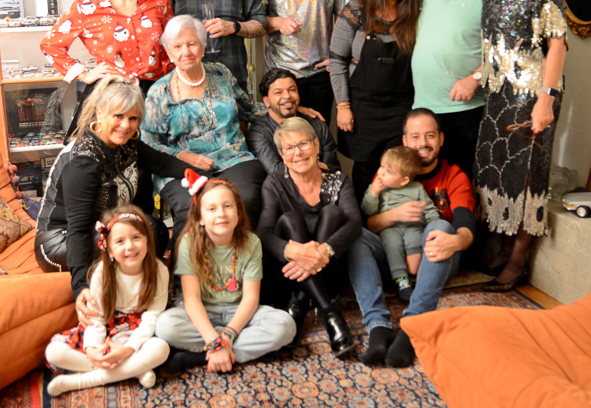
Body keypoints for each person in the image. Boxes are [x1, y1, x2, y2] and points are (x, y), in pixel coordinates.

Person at [35, 76, 192, 312]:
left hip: (100, 228)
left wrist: (200, 176)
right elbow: (78, 229)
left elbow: (162, 163)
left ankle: (144, 298)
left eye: (133, 118)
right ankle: (122, 307)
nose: (126, 125)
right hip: (60, 241)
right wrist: (80, 287)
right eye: (118, 116)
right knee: (129, 241)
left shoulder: (125, 143)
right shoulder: (83, 162)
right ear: (100, 113)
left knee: (153, 229)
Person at [475, 0, 568, 291]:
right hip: (498, 91)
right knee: (499, 169)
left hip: (533, 92)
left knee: (528, 174)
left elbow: (558, 43)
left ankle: (518, 260)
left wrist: (545, 99)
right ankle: (504, 246)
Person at [346, 108, 475, 367]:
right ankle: (378, 326)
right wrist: (394, 215)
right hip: (391, 255)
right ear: (405, 141)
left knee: (440, 225)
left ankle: (414, 326)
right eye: (415, 136)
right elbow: (368, 221)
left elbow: (465, 223)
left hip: (434, 258)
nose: (423, 143)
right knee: (354, 234)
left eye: (430, 135)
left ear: (441, 139)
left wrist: (457, 241)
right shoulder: (388, 171)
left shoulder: (454, 175)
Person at [141, 15, 266, 247]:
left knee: (245, 199)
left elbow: (248, 108)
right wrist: (184, 157)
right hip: (181, 168)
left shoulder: (221, 74)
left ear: (203, 46)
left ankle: (244, 262)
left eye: (192, 44)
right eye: (177, 47)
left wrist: (285, 109)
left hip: (232, 157)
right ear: (169, 53)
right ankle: (186, 268)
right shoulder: (159, 92)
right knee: (194, 208)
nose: (186, 52)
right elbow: (148, 144)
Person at [155, 175, 296, 373]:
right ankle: (229, 351)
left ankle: (201, 356)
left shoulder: (251, 242)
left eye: (228, 206)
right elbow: (192, 299)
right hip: (203, 312)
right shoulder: (188, 243)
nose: (221, 213)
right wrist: (213, 339)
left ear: (238, 212)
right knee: (165, 326)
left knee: (285, 325)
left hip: (239, 312)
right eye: (212, 209)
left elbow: (251, 298)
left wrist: (228, 335)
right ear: (200, 218)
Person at [40, 0, 174, 126]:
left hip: (154, 96)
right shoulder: (87, 6)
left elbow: (171, 47)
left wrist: (174, 86)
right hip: (110, 98)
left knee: (152, 146)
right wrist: (84, 74)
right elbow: (50, 45)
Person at [256, 117, 362, 357]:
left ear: (316, 145)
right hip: (287, 275)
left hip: (330, 271)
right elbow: (264, 233)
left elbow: (355, 224)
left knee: (334, 214)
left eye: (303, 144)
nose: (298, 153)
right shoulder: (274, 183)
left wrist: (324, 250)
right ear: (281, 154)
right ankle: (330, 314)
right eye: (289, 148)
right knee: (290, 220)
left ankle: (300, 303)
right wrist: (291, 251)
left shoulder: (338, 180)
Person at [44, 205, 170, 396]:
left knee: (160, 349)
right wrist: (93, 350)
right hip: (105, 329)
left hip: (137, 331)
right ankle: (134, 370)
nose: (130, 246)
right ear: (109, 249)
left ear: (147, 241)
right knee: (54, 352)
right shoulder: (101, 274)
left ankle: (83, 380)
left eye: (136, 237)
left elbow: (152, 316)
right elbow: (96, 319)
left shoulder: (159, 270)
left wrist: (128, 349)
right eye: (120, 241)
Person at [330, 0, 422, 203]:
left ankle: (392, 219)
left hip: (400, 105)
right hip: (362, 105)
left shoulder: (414, 12)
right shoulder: (356, 10)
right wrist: (343, 106)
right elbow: (336, 60)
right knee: (364, 167)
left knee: (397, 169)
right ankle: (362, 220)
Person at [411, 0, 484, 179]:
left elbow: (504, 47)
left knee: (461, 187)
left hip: (465, 110)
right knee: (424, 188)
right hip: (422, 108)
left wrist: (476, 78)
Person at [361, 146, 439, 301]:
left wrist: (435, 226)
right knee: (392, 245)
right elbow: (368, 211)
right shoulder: (377, 189)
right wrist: (373, 194)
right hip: (390, 229)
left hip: (414, 226)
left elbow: (429, 210)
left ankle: (414, 276)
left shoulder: (417, 189)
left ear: (404, 180)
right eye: (382, 167)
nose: (381, 172)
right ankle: (402, 281)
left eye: (389, 171)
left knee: (415, 244)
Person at [246, 68, 340, 175]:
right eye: (278, 92)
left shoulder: (317, 124)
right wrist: (315, 165)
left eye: (292, 90)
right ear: (267, 101)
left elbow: (333, 169)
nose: (287, 96)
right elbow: (275, 171)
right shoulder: (258, 133)